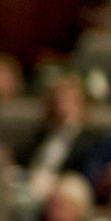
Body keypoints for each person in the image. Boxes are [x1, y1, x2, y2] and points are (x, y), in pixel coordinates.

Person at [16, 76, 101, 204]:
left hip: (64, 191)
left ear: (82, 104)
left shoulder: (90, 139)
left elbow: (87, 177)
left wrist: (55, 182)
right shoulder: (42, 134)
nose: (62, 106)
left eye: (69, 100)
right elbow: (22, 161)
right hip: (30, 184)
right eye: (59, 100)